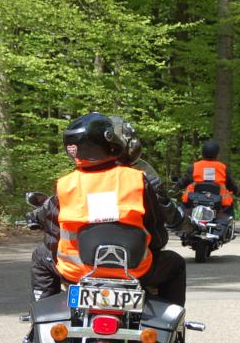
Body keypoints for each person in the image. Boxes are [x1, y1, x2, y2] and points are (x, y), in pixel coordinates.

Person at [28, 112, 187, 307]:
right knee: (175, 264)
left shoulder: (65, 184)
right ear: (110, 142)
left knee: (40, 256)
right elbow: (156, 234)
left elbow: (53, 235)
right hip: (134, 271)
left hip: (77, 272)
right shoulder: (137, 179)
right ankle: (168, 317)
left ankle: (43, 313)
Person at [175, 140, 240, 215]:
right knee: (228, 214)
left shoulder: (194, 167)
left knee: (182, 213)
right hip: (220, 205)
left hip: (193, 202)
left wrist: (175, 188)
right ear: (217, 155)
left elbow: (183, 182)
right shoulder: (222, 168)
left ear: (202, 154)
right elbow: (232, 186)